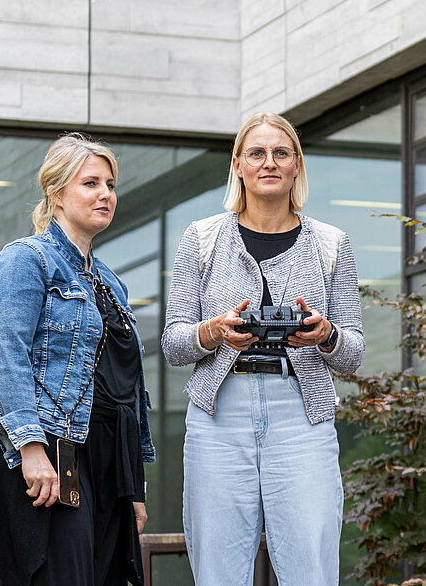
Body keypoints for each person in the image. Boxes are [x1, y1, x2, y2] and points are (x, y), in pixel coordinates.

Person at [161, 112, 365, 586]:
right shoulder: (202, 239)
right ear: (238, 165)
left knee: (310, 568)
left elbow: (352, 352)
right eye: (257, 153)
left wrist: (325, 335)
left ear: (297, 165)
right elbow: (173, 343)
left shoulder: (332, 244)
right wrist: (212, 332)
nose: (268, 162)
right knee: (218, 570)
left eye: (281, 153)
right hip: (218, 417)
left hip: (302, 417)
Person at [0, 134, 154, 586]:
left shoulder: (111, 282)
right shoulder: (25, 260)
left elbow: (127, 385)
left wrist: (132, 482)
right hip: (50, 448)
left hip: (107, 462)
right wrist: (31, 451)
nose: (105, 194)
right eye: (90, 183)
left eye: (110, 184)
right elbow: (7, 358)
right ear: (56, 193)